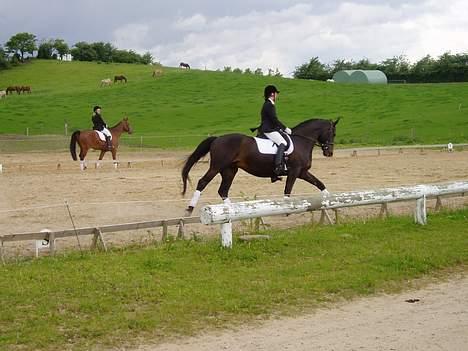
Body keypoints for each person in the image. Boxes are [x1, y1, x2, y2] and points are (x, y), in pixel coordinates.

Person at [257, 85, 292, 179]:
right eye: (276, 93)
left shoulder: (268, 104)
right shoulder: (269, 104)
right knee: (282, 142)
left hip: (270, 128)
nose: (277, 95)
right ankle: (278, 167)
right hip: (268, 129)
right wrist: (285, 128)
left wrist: (279, 129)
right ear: (272, 94)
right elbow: (274, 119)